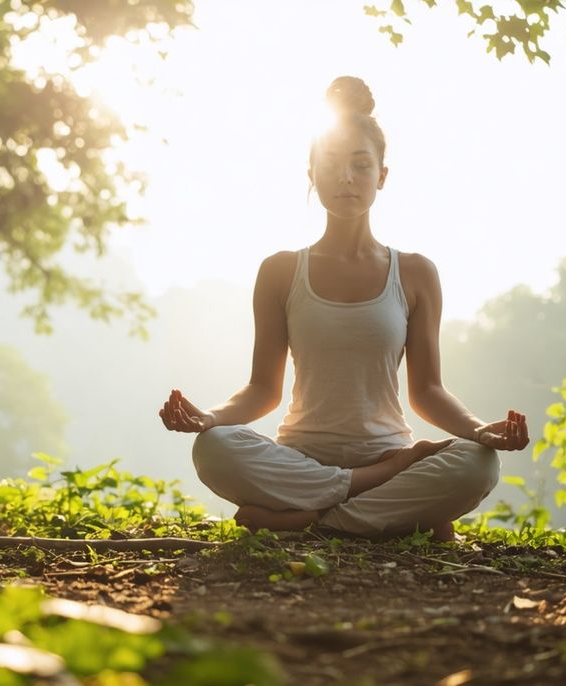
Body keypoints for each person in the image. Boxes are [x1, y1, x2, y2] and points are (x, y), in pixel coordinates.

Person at [157, 76, 529, 541]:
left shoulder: (415, 273)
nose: (346, 178)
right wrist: (210, 418)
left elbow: (428, 391)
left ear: (382, 176)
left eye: (360, 165)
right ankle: (373, 507)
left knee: (477, 463)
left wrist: (480, 430)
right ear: (311, 173)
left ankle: (311, 519)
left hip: (387, 450)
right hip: (305, 458)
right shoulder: (280, 271)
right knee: (213, 448)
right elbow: (261, 390)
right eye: (331, 164)